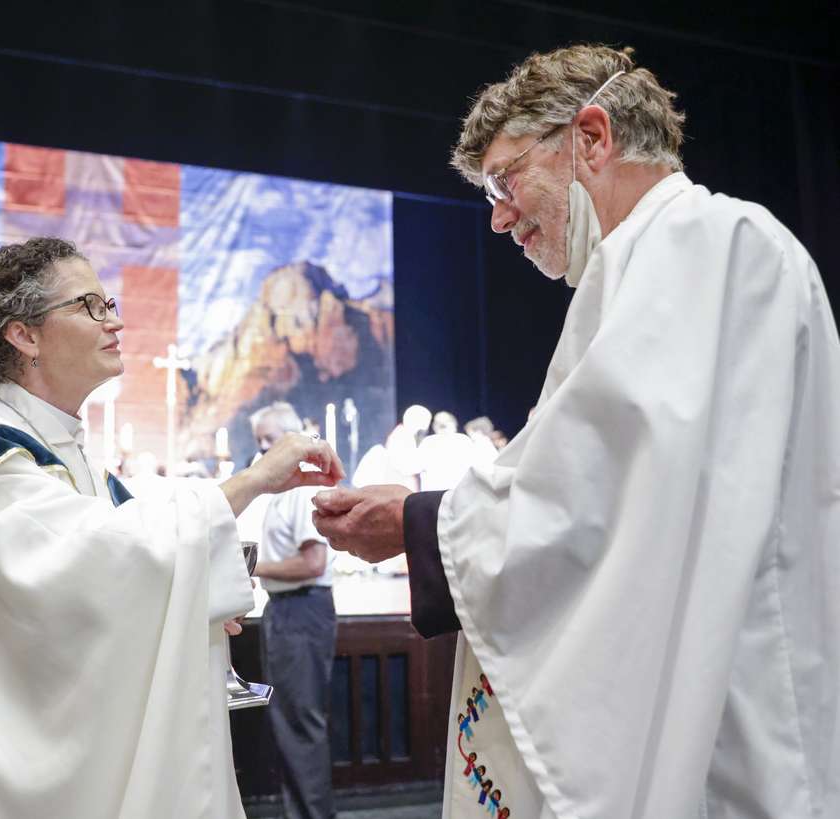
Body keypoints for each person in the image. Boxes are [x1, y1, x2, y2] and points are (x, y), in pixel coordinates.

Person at [312, 44, 840, 818]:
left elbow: (604, 486)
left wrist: (419, 523)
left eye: (505, 179)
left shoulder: (705, 242)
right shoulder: (653, 263)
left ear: (591, 138)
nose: (497, 218)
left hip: (732, 734)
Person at [0, 237, 344, 818]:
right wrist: (253, 480)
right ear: (24, 334)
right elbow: (87, 556)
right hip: (5, 766)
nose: (116, 321)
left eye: (109, 304)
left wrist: (193, 597)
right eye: (89, 306)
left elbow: (129, 559)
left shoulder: (74, 455)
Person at [249, 401, 337, 819]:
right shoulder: (282, 492)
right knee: (289, 724)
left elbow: (312, 563)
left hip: (302, 609)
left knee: (300, 725)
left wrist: (248, 565)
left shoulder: (302, 491)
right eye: (259, 443)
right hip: (285, 609)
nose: (263, 451)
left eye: (270, 441)